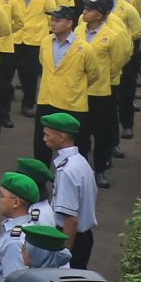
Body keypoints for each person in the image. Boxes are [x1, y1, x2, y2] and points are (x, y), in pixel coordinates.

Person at [43, 113, 99, 269]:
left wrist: (64, 255)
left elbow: (70, 219)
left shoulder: (67, 170)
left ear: (61, 136)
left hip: (71, 238)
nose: (44, 139)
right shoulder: (80, 161)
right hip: (83, 237)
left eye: (48, 135)